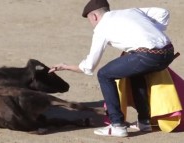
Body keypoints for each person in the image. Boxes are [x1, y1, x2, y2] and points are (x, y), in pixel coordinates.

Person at [48, 0, 175, 137]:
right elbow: (163, 13)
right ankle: (144, 122)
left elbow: (89, 66)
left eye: (90, 20)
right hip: (168, 53)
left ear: (94, 16)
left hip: (148, 56)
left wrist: (66, 66)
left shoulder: (101, 28)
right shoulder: (131, 11)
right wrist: (152, 31)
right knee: (136, 74)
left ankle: (117, 125)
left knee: (104, 75)